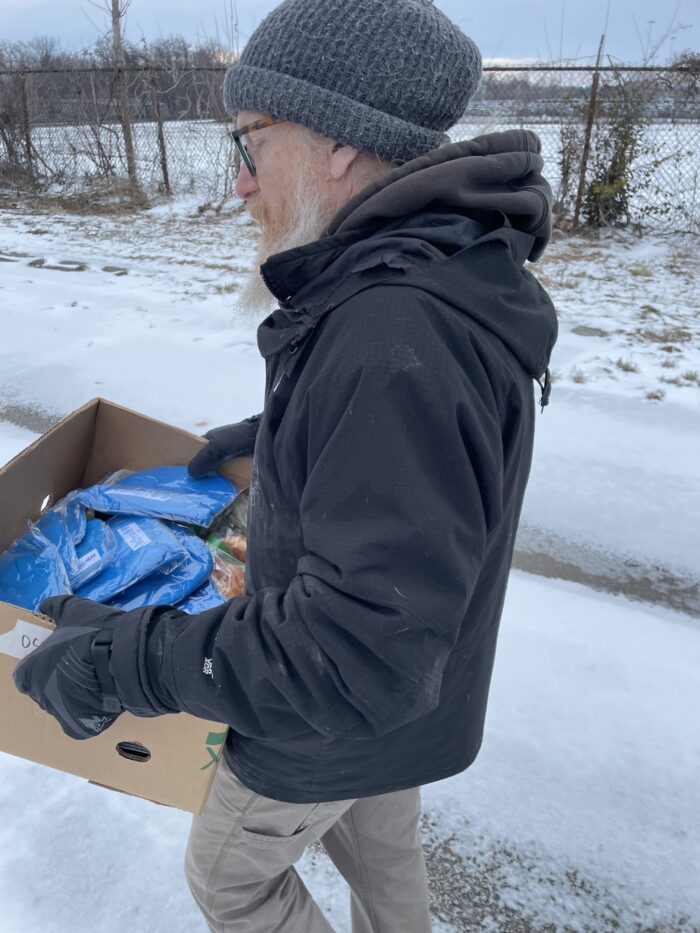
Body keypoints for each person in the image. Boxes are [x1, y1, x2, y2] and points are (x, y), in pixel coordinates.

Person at [13, 0, 558, 929]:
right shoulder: (433, 267)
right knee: (385, 851)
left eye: (248, 142)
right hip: (411, 710)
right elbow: (426, 447)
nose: (240, 184)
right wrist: (290, 431)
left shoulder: (393, 329)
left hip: (327, 719)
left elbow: (350, 653)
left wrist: (118, 656)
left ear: (338, 141)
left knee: (232, 876)